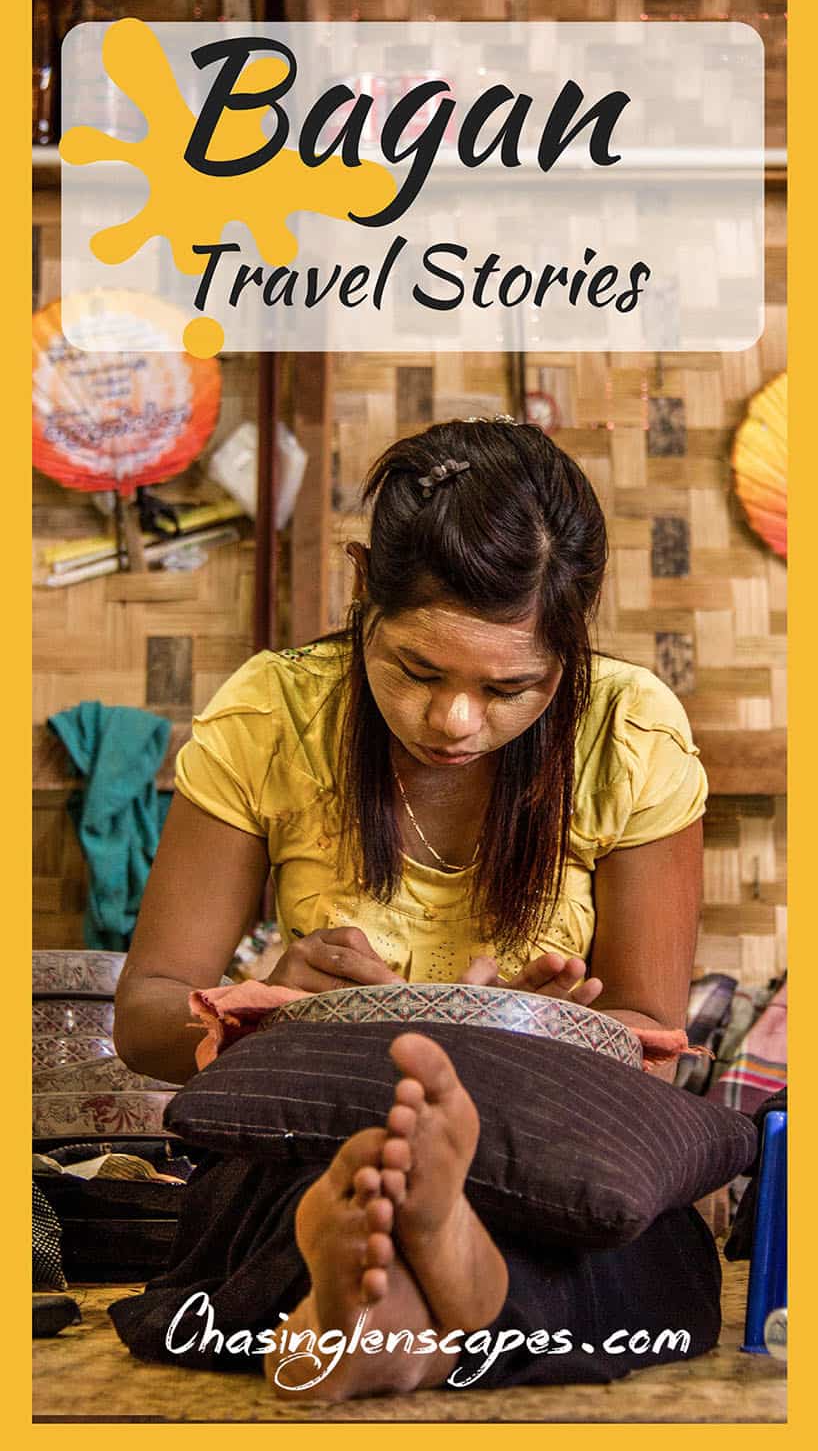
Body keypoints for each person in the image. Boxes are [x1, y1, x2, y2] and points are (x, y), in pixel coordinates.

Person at [111, 417, 715, 1398]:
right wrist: (271, 1004)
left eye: (511, 685)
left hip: (542, 1157)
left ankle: (368, 1303)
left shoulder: (626, 733)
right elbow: (145, 1019)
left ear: (571, 641)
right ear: (364, 590)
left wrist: (533, 1028)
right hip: (319, 1137)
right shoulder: (273, 715)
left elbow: (648, 1047)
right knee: (338, 1166)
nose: (455, 721)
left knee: (586, 1202)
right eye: (416, 671)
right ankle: (419, 1276)